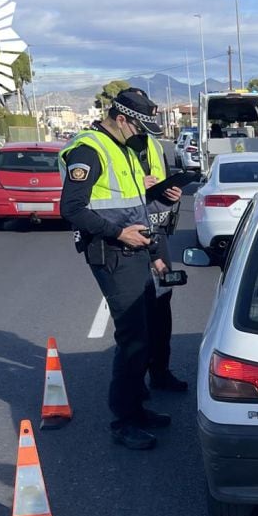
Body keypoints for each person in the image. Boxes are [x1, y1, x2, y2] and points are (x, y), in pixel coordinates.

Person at [60, 89, 177, 450]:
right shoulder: (89, 150)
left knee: (145, 332)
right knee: (132, 338)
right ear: (122, 119)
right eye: (140, 128)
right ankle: (122, 420)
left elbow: (135, 210)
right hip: (111, 252)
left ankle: (136, 408)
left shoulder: (125, 148)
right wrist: (118, 233)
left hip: (135, 249)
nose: (143, 136)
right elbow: (72, 208)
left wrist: (155, 250)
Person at [132, 127, 188, 393]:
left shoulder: (154, 145)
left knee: (161, 308)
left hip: (159, 233)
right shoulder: (110, 147)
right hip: (127, 237)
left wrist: (171, 194)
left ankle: (160, 373)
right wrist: (135, 185)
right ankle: (134, 381)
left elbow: (164, 188)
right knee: (134, 313)